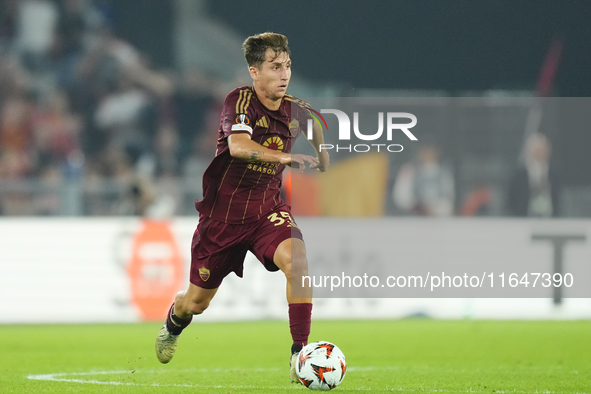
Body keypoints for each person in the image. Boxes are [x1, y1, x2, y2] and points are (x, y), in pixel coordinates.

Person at [154, 32, 329, 384]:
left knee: (297, 261)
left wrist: (322, 156)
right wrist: (287, 157)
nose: (284, 74)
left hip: (267, 211)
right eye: (275, 67)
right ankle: (175, 321)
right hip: (223, 220)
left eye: (288, 66)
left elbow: (316, 125)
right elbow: (238, 145)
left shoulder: (295, 109)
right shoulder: (239, 101)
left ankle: (300, 355)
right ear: (254, 71)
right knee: (196, 303)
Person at [392, 139, 455, 216]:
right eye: (425, 151)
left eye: (431, 151)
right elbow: (401, 197)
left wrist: (433, 207)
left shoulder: (443, 172)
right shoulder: (409, 170)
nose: (428, 154)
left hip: (437, 218)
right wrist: (418, 206)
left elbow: (448, 197)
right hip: (412, 216)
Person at [507, 132, 561, 217]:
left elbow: (558, 198)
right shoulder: (519, 175)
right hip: (524, 219)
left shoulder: (553, 174)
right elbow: (512, 200)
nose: (539, 154)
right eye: (536, 150)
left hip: (549, 219)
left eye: (542, 150)